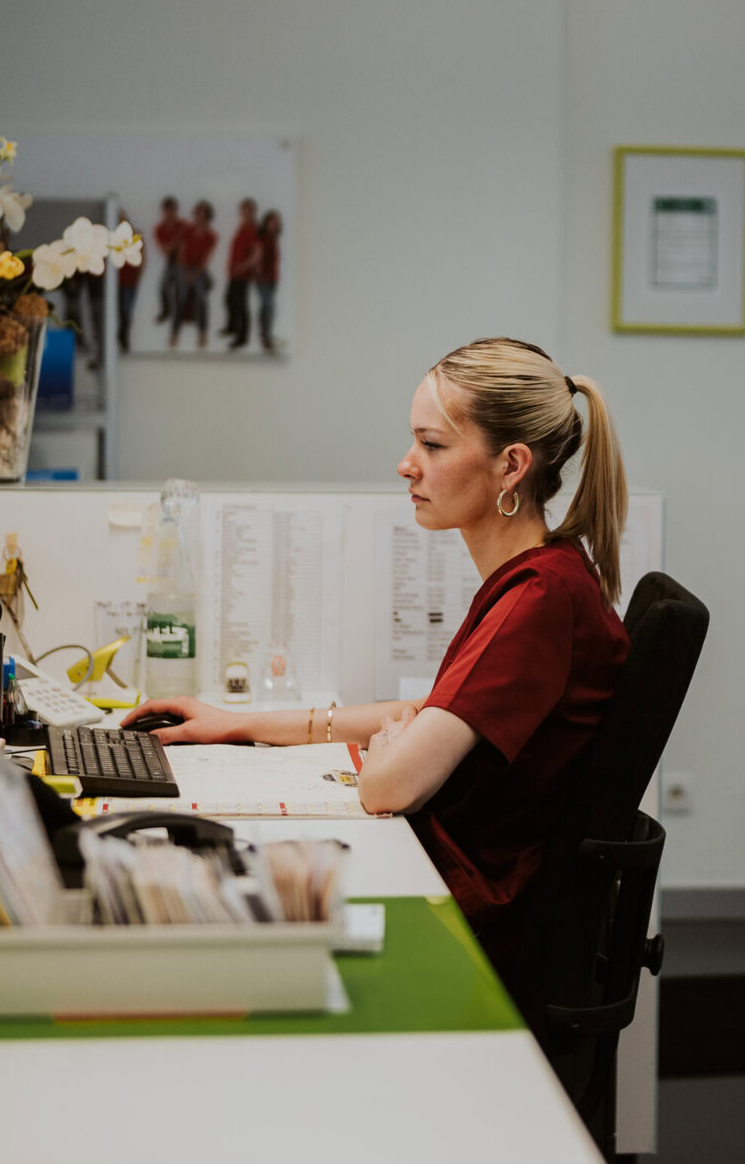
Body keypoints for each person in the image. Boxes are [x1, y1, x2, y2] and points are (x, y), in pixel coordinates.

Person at [124, 337, 629, 984]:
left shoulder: (539, 599)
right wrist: (237, 724)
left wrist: (395, 752)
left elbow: (388, 786)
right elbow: (424, 713)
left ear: (511, 466)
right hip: (454, 883)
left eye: (432, 445)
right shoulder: (542, 578)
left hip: (470, 923)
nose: (406, 464)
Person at [170, 200, 218, 351]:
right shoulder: (187, 230)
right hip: (183, 267)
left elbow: (206, 258)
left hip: (198, 270)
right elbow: (180, 253)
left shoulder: (211, 236)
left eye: (203, 216)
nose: (200, 219)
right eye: (198, 215)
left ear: (208, 218)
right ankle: (175, 334)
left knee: (202, 298)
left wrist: (195, 273)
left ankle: (202, 334)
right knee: (181, 297)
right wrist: (186, 272)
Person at [223, 198, 260, 348]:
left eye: (249, 210)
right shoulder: (242, 227)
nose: (246, 213)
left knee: (240, 304)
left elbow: (257, 255)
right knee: (229, 299)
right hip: (234, 272)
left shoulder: (255, 230)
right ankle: (231, 328)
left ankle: (242, 338)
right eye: (244, 210)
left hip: (243, 273)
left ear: (254, 212)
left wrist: (243, 267)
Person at [115, 208, 143, 353]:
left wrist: (139, 275)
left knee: (126, 309)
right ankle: (120, 337)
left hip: (130, 280)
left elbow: (142, 258)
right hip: (118, 280)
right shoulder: (113, 238)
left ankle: (123, 336)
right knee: (119, 310)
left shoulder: (135, 237)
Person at [153, 197, 184, 327]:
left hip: (184, 262)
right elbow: (165, 251)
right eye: (167, 211)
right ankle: (166, 311)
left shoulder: (183, 225)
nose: (169, 214)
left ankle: (180, 314)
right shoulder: (160, 229)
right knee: (163, 286)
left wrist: (175, 246)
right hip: (171, 262)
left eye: (172, 211)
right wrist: (175, 244)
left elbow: (186, 245)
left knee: (181, 289)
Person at [256, 210, 282, 353]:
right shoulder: (263, 238)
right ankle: (266, 336)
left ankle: (264, 335)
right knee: (269, 306)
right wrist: (259, 274)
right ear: (266, 223)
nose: (274, 225)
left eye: (276, 222)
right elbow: (258, 257)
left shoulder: (274, 239)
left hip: (272, 278)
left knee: (266, 306)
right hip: (263, 279)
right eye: (271, 222)